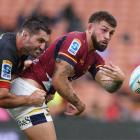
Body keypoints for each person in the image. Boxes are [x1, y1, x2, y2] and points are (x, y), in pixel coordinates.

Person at [8, 11, 125, 140]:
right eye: (104, 30)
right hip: (27, 91)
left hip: (34, 95)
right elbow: (59, 79)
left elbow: (108, 86)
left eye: (111, 33)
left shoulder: (95, 58)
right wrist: (79, 104)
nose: (107, 36)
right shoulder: (75, 42)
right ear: (90, 27)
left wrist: (119, 81)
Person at [0, 16, 52, 108]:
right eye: (40, 41)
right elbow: (1, 99)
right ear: (25, 35)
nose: (43, 47)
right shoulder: (7, 53)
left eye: (45, 43)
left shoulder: (19, 47)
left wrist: (22, 68)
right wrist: (30, 99)